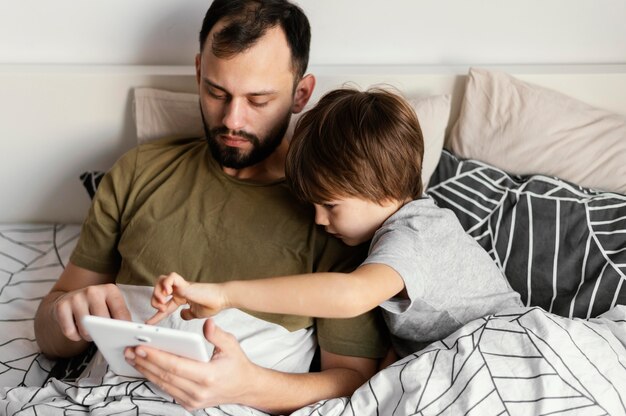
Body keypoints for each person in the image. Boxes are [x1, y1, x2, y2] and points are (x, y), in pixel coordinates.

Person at [33, 0, 388, 413]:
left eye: (258, 100)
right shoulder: (139, 171)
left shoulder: (335, 212)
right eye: (217, 93)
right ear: (199, 72)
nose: (233, 120)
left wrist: (248, 386)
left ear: (301, 94)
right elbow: (48, 332)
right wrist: (68, 315)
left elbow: (353, 382)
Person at [147, 87, 524, 363]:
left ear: (384, 185)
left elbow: (350, 295)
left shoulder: (415, 235)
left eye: (330, 204)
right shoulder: (391, 236)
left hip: (510, 349)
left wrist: (227, 294)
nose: (318, 219)